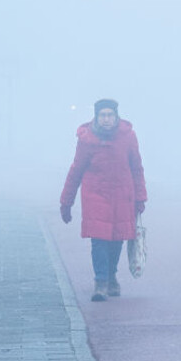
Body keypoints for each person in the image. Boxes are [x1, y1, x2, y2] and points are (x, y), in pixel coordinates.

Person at [60, 98, 147, 301]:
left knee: (117, 239)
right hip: (96, 197)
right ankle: (100, 282)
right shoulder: (87, 140)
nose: (106, 119)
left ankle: (111, 275)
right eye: (102, 115)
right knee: (99, 240)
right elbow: (76, 171)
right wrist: (66, 202)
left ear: (116, 116)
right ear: (96, 117)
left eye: (110, 115)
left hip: (122, 196)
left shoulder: (128, 137)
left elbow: (137, 168)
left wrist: (140, 197)